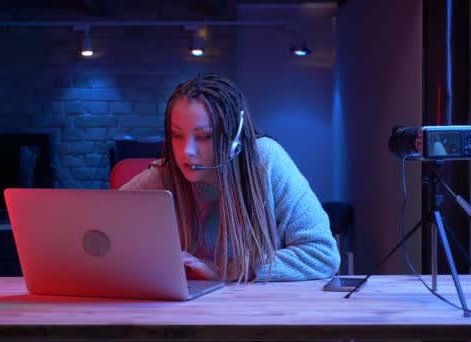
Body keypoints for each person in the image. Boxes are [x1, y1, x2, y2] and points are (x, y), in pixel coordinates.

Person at [120, 73, 340, 282]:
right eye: (177, 135)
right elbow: (104, 229)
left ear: (234, 139)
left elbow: (322, 255)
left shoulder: (266, 160)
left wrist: (227, 270)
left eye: (204, 136)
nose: (187, 150)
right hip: (183, 315)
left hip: (259, 312)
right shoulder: (163, 175)